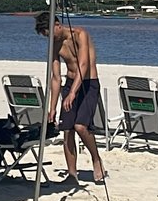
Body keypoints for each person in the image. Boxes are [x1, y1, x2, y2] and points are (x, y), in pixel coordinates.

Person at [37, 10, 106, 185]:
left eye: (50, 33)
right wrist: (52, 107)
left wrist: (74, 92)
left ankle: (96, 159)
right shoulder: (54, 45)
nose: (50, 38)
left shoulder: (80, 34)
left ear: (58, 25)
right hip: (69, 84)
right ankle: (71, 174)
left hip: (88, 84)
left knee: (81, 126)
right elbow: (55, 77)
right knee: (67, 129)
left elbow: (84, 65)